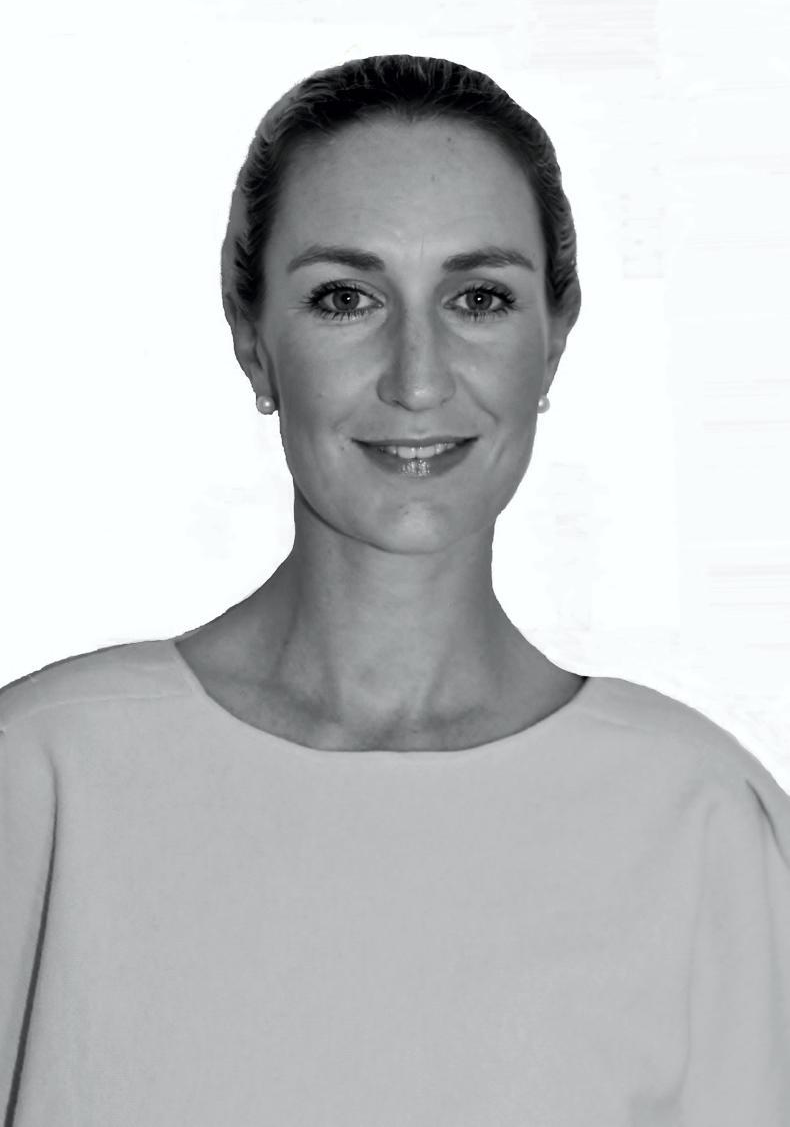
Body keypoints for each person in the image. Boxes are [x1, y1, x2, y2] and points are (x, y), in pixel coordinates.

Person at [1, 54, 789, 1126]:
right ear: (252, 338)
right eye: (345, 298)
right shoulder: (43, 778)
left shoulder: (704, 822)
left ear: (554, 338)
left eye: (478, 298)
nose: (417, 377)